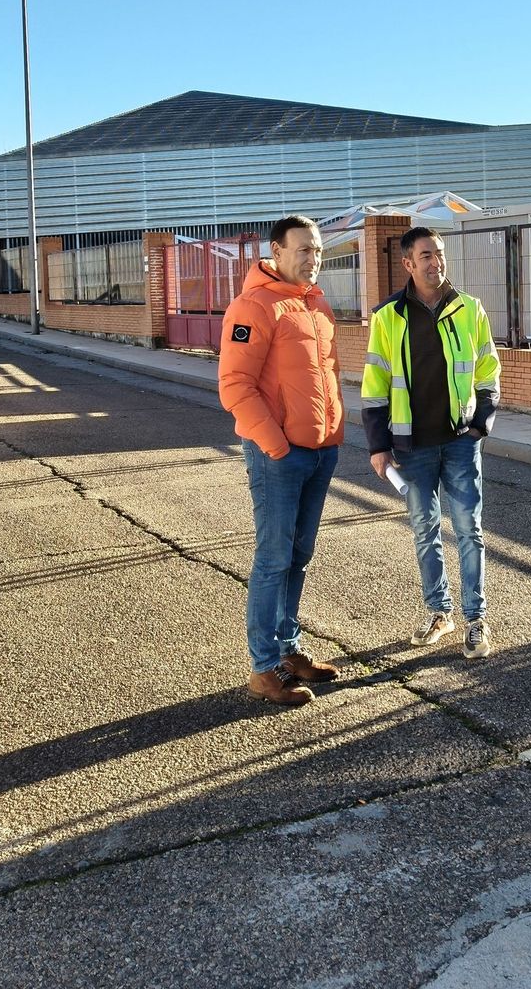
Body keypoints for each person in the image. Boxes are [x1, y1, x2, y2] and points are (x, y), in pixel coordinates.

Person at [218, 215, 345, 706]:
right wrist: (276, 445)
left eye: (317, 250)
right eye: (303, 250)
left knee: (299, 557)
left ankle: (289, 650)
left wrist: (332, 436)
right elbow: (234, 386)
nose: (313, 259)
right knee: (273, 559)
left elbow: (326, 375)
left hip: (320, 451)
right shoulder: (254, 306)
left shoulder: (315, 305)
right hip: (280, 455)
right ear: (277, 250)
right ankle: (264, 668)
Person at [363, 227, 502, 659]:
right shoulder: (388, 317)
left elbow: (487, 369)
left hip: (460, 441)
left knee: (469, 530)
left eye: (439, 254)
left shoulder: (470, 309)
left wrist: (481, 421)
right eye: (425, 255)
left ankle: (475, 620)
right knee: (426, 531)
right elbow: (375, 385)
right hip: (412, 447)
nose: (435, 262)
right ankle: (439, 613)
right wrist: (378, 445)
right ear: (408, 263)